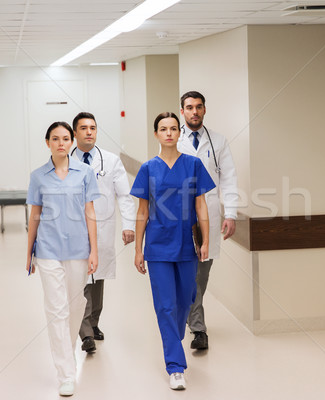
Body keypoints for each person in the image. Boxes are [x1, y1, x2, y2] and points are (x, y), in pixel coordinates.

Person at [131, 112, 215, 390]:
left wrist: (205, 240)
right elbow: (142, 211)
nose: (168, 133)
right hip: (157, 247)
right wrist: (138, 249)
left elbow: (201, 205)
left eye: (173, 128)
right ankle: (176, 366)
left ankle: (175, 334)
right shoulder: (147, 168)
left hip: (186, 245)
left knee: (186, 300)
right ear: (156, 134)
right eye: (163, 129)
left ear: (179, 133)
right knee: (165, 306)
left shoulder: (193, 164)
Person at [26, 121, 100, 397]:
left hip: (79, 250)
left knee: (75, 304)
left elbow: (90, 212)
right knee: (56, 309)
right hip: (47, 250)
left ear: (71, 142)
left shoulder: (85, 173)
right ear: (48, 143)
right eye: (55, 138)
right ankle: (66, 373)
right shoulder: (38, 176)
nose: (60, 143)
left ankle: (65, 353)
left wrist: (94, 250)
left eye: (65, 138)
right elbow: (35, 214)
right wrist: (29, 250)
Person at [177, 91, 239, 350]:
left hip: (210, 214)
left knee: (201, 275)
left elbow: (229, 178)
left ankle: (194, 321)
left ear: (204, 110)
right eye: (189, 107)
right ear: (182, 111)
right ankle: (198, 327)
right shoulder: (172, 138)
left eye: (198, 107)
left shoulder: (219, 141)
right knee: (185, 273)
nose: (194, 112)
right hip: (179, 215)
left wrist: (231, 213)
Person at [70, 112, 136, 353]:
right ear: (74, 132)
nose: (89, 132)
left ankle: (93, 323)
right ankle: (85, 332)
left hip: (103, 226)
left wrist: (129, 225)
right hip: (74, 228)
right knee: (81, 279)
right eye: (84, 128)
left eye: (93, 128)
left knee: (97, 278)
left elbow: (124, 195)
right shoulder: (65, 161)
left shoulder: (110, 161)